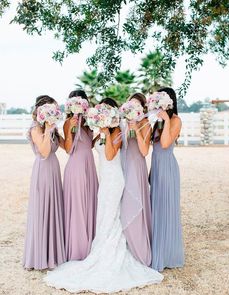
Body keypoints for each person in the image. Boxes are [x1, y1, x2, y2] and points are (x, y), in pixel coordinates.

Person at [44, 98, 163, 293]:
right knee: (104, 217)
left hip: (115, 181)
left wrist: (107, 131)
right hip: (105, 181)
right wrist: (84, 128)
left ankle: (111, 254)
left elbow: (109, 155)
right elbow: (86, 146)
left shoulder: (116, 132)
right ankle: (100, 251)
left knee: (110, 217)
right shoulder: (101, 132)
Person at [23, 95, 66, 270]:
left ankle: (53, 253)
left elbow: (64, 146)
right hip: (43, 170)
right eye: (52, 110)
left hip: (54, 170)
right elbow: (45, 151)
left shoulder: (52, 127)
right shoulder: (36, 128)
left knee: (53, 208)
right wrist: (48, 129)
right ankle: (40, 256)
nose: (54, 113)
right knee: (42, 210)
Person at [150, 87, 184, 272]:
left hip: (168, 169)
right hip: (156, 169)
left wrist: (166, 119)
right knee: (156, 208)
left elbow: (164, 144)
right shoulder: (158, 121)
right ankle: (156, 251)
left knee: (167, 208)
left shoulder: (176, 120)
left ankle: (168, 254)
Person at [63, 89, 98, 261]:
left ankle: (91, 243)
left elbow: (89, 144)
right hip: (76, 165)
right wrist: (71, 127)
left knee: (90, 202)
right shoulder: (69, 122)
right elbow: (69, 149)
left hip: (89, 164)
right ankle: (78, 249)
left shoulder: (89, 121)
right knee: (78, 205)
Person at [121, 93, 152, 266]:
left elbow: (144, 151)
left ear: (141, 108)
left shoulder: (146, 124)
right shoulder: (124, 122)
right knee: (123, 204)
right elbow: (122, 145)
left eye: (136, 105)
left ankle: (139, 248)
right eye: (130, 105)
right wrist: (127, 126)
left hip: (137, 166)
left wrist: (137, 129)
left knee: (135, 205)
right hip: (124, 165)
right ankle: (125, 246)